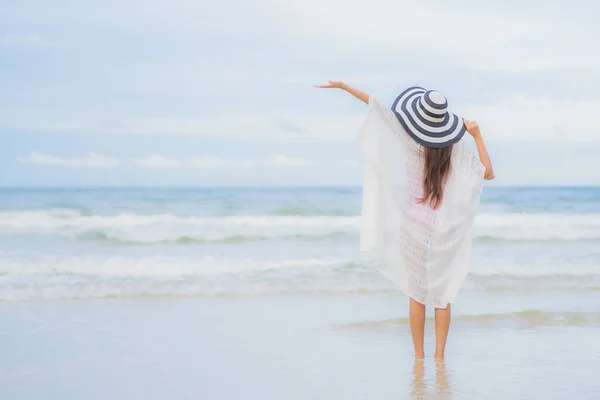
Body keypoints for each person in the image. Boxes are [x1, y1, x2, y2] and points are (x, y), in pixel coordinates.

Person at [315, 81, 494, 359]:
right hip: (444, 229)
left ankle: (419, 356)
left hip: (412, 226)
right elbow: (487, 173)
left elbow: (378, 107)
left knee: (417, 294)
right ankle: (439, 357)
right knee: (443, 295)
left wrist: (343, 86)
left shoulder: (408, 140)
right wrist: (477, 135)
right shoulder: (454, 148)